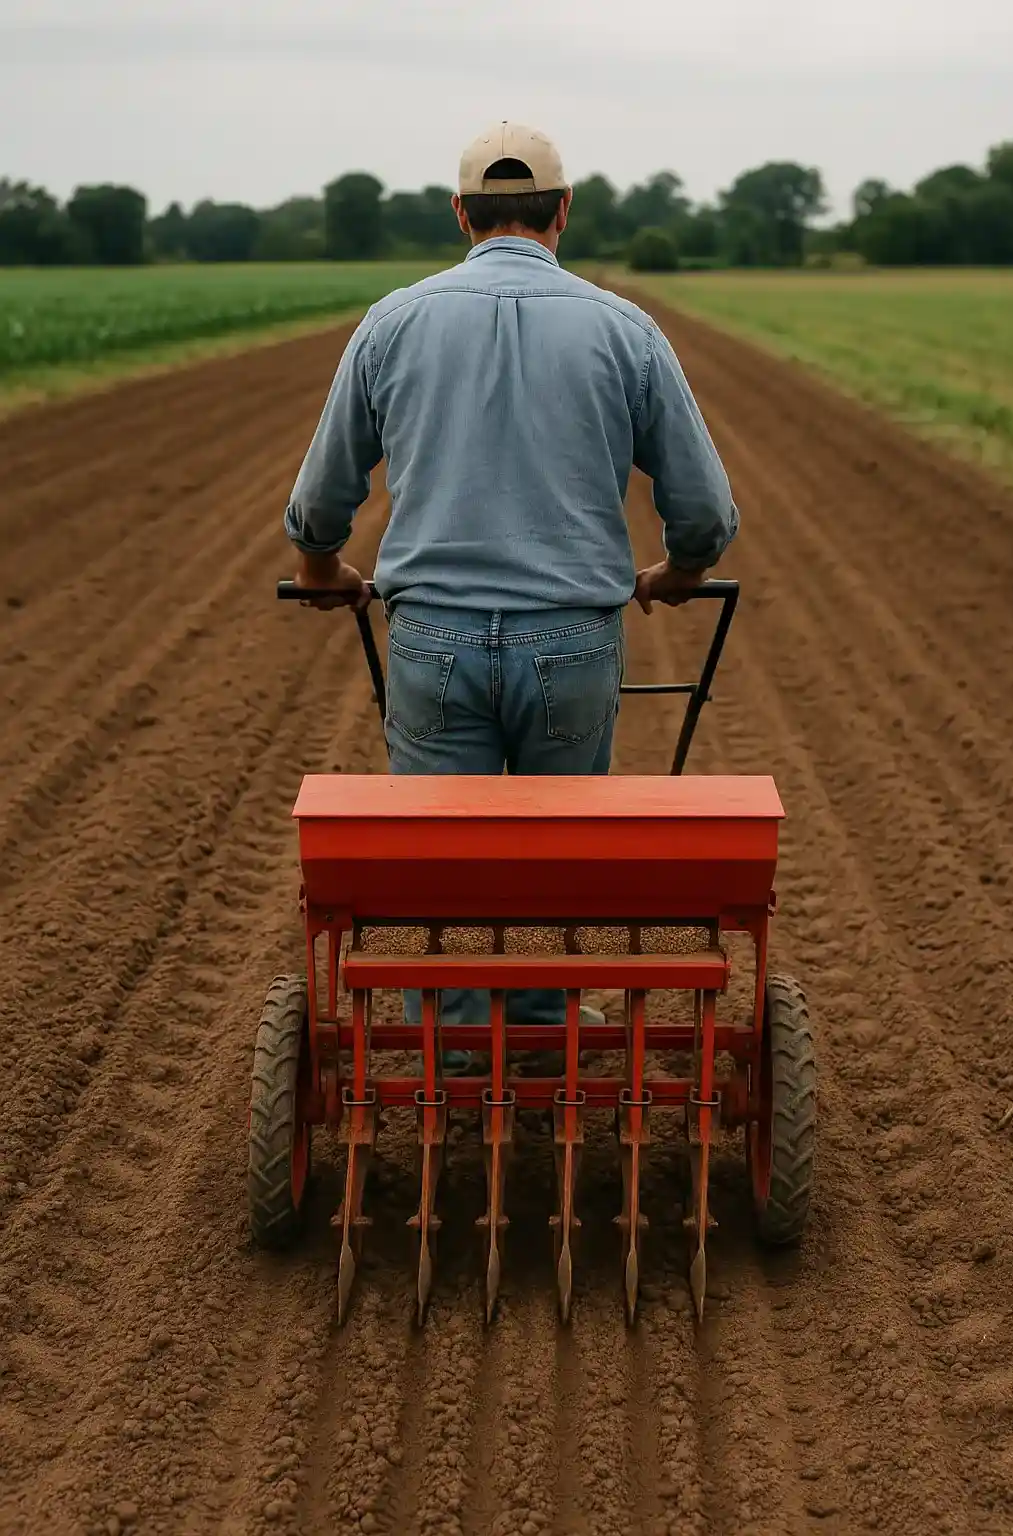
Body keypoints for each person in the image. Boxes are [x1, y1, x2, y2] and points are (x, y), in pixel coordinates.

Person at [284, 121, 738, 1062]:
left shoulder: (394, 322)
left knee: (444, 854)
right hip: (571, 639)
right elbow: (702, 509)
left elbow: (324, 497)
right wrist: (679, 574)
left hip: (432, 640)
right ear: (563, 212)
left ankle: (453, 1053)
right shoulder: (624, 329)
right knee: (556, 851)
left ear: (461, 214)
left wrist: (323, 567)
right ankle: (536, 1037)